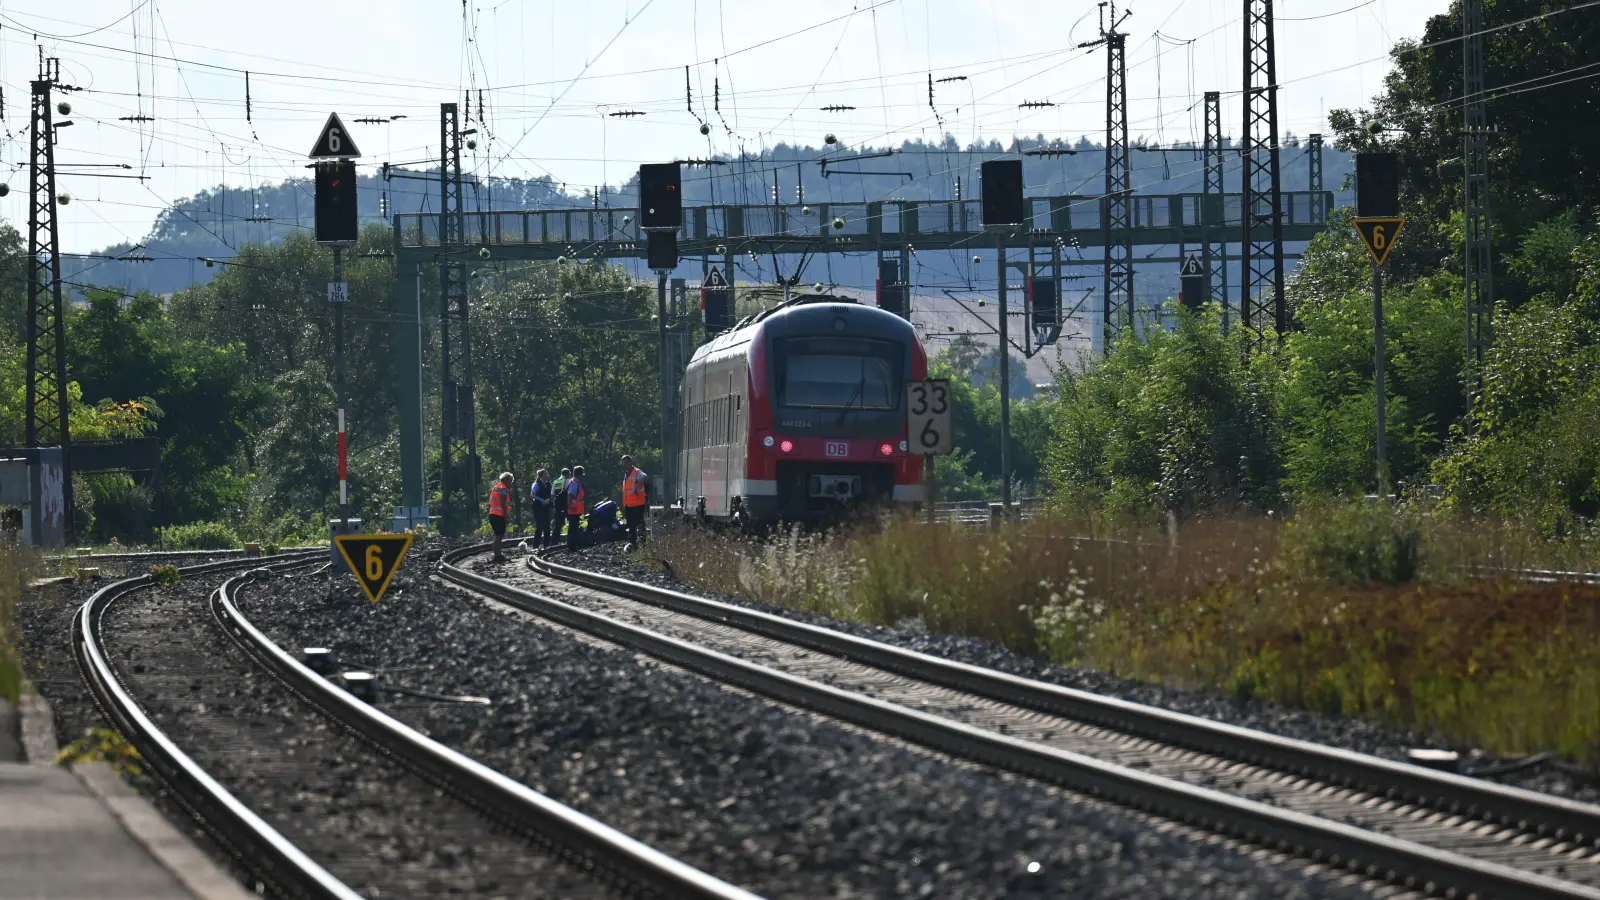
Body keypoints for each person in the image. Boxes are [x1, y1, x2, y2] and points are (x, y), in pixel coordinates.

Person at [620, 454, 649, 546]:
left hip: (638, 503)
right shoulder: (626, 473)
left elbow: (644, 477)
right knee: (631, 525)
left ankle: (643, 541)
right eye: (623, 463)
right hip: (629, 504)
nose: (625, 464)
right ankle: (633, 543)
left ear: (630, 462)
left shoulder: (637, 471)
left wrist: (637, 486)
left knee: (640, 523)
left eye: (626, 462)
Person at [487, 471, 514, 562]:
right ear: (506, 480)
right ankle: (497, 556)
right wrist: (506, 516)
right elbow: (503, 503)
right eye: (510, 481)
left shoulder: (497, 487)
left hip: (492, 514)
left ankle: (497, 554)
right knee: (499, 536)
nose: (511, 484)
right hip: (498, 515)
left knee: (497, 535)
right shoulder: (503, 489)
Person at [529, 468, 553, 547]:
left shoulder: (549, 484)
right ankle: (535, 545)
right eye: (546, 474)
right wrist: (542, 500)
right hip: (538, 507)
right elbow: (532, 495)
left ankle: (546, 545)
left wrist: (549, 500)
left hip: (546, 507)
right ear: (541, 475)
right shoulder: (537, 484)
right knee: (539, 526)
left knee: (547, 526)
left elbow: (551, 494)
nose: (547, 475)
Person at [565, 465, 586, 550]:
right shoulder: (575, 483)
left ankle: (573, 545)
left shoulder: (574, 482)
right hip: (574, 509)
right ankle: (572, 546)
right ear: (580, 474)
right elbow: (570, 495)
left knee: (573, 527)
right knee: (573, 528)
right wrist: (570, 506)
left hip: (575, 509)